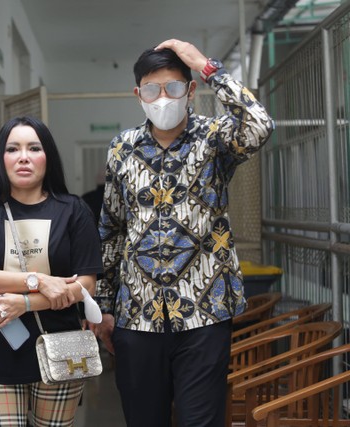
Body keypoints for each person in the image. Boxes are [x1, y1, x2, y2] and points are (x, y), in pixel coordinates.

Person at [90, 39, 274, 427]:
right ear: (137, 94)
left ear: (190, 91)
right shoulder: (122, 148)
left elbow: (259, 126)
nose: (162, 98)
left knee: (199, 421)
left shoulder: (215, 138)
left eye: (173, 87)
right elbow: (111, 228)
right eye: (152, 89)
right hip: (136, 315)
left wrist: (206, 66)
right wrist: (104, 305)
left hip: (205, 312)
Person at [0, 115, 103, 427]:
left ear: (48, 156)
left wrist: (26, 303)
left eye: (34, 148)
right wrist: (40, 281)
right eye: (12, 149)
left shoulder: (73, 211)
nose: (23, 156)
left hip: (62, 348)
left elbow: (86, 285)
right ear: (0, 158)